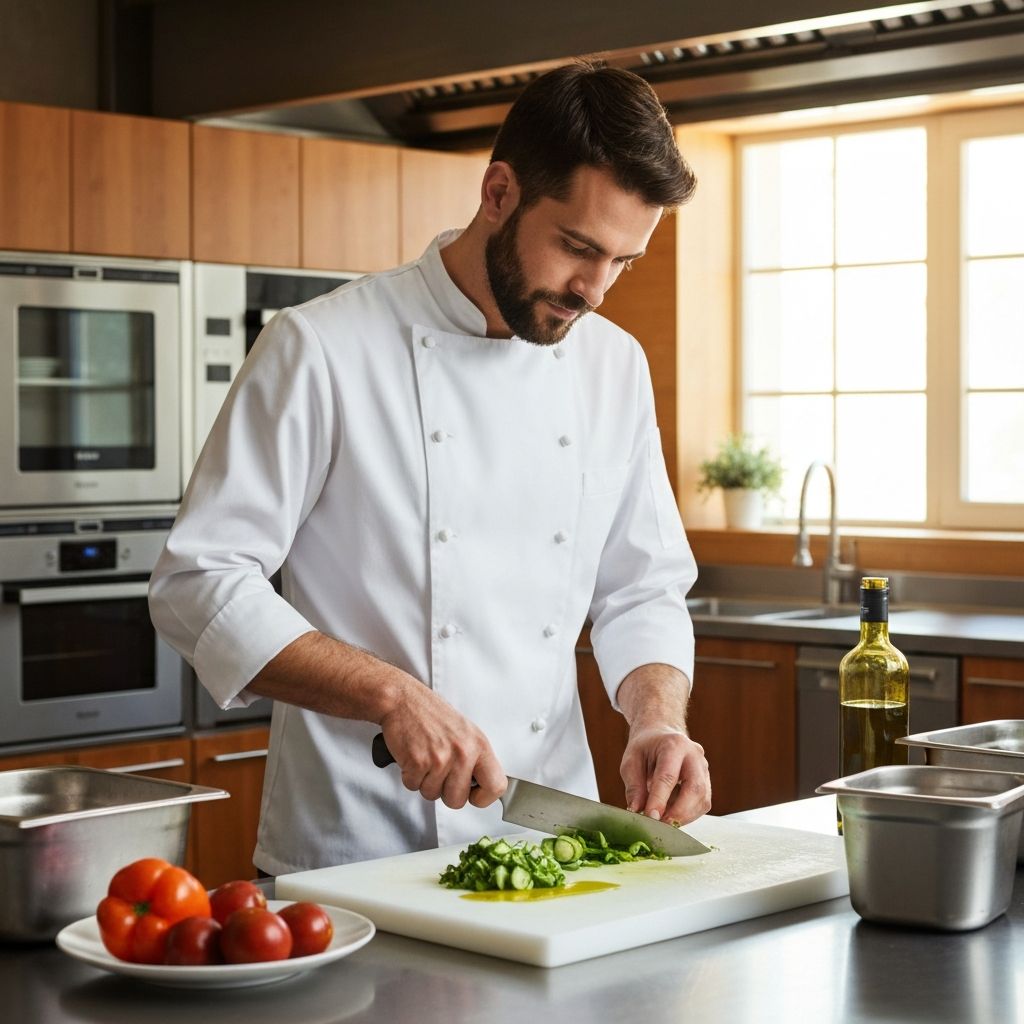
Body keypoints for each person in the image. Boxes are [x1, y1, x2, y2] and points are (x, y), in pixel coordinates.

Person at [149, 60, 711, 875]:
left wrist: (658, 718)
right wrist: (392, 694)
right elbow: (198, 582)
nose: (594, 290)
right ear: (499, 192)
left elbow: (642, 586)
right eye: (578, 247)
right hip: (355, 850)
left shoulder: (613, 366)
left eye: (624, 261)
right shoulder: (323, 347)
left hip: (550, 852)